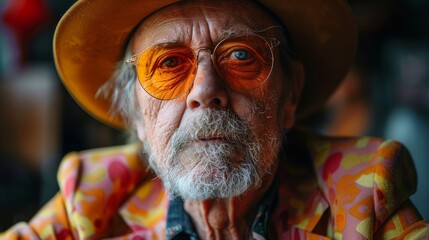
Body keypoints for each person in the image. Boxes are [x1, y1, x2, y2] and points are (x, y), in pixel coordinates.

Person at [1, 0, 428, 239]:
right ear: (137, 116)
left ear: (290, 95)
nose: (205, 91)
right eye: (168, 64)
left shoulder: (362, 198)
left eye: (242, 55)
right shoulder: (88, 203)